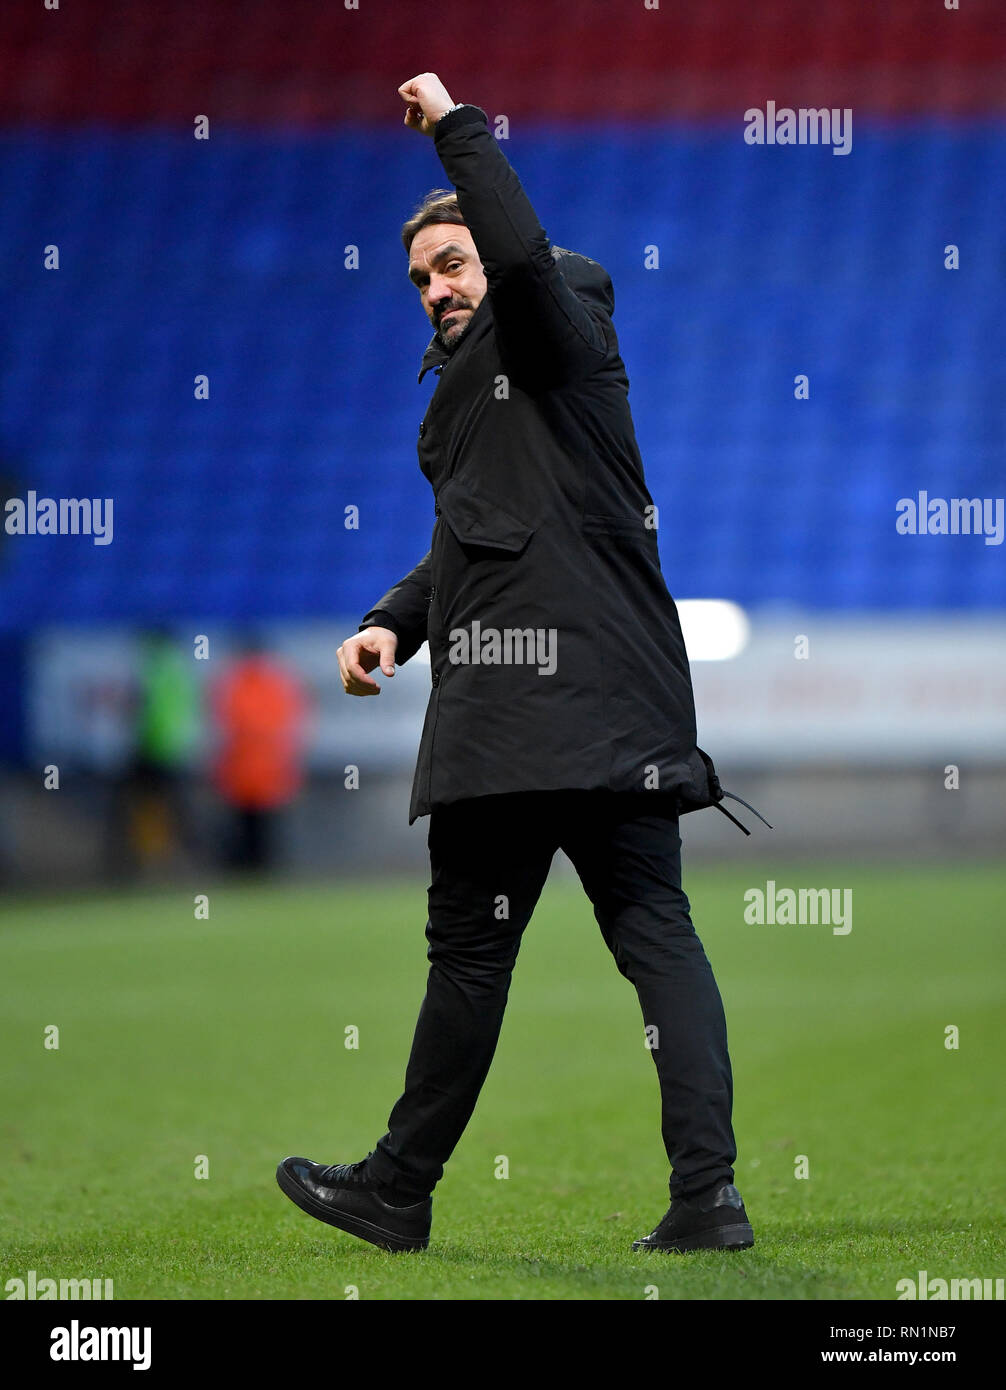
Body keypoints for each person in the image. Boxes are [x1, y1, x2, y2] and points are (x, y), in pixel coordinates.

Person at [277, 73, 759, 1255]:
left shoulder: (557, 336)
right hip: (624, 716)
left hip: (517, 728)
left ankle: (399, 1186)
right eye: (421, 279)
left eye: (452, 265)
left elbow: (529, 266)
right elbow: (474, 545)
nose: (436, 290)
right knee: (656, 930)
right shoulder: (501, 407)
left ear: (493, 262)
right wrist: (395, 618)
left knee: (474, 951)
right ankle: (709, 1200)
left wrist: (456, 125)